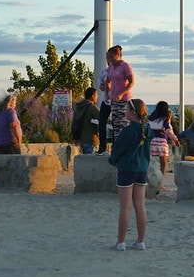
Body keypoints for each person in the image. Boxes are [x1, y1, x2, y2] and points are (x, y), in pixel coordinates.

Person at [108, 98, 151, 251]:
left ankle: (121, 242)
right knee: (140, 205)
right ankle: (141, 241)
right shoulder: (148, 129)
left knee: (125, 207)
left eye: (126, 109)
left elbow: (119, 149)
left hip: (127, 169)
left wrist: (113, 161)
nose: (124, 112)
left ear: (133, 112)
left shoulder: (128, 130)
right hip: (142, 169)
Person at [106, 45, 134, 140]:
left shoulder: (125, 66)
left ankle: (125, 143)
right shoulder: (111, 67)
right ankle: (118, 143)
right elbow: (107, 81)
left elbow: (131, 82)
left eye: (111, 57)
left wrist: (121, 93)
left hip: (124, 98)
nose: (110, 60)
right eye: (108, 58)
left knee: (123, 122)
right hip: (114, 99)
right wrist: (107, 94)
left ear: (117, 55)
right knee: (115, 123)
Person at [147, 101, 180, 178]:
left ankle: (149, 179)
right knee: (164, 163)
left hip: (151, 141)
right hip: (161, 142)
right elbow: (168, 131)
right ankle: (161, 181)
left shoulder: (151, 118)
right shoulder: (165, 118)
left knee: (149, 162)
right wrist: (175, 140)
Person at [73, 88, 101, 154]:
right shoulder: (91, 107)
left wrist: (75, 138)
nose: (97, 97)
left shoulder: (78, 107)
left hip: (81, 140)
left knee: (84, 159)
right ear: (93, 96)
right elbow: (102, 118)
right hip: (91, 140)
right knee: (91, 160)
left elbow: (74, 122)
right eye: (96, 95)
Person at [96, 54, 113, 155]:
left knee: (116, 124)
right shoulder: (105, 71)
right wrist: (104, 87)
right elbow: (101, 86)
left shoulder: (119, 71)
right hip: (106, 101)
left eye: (110, 58)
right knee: (102, 122)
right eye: (107, 59)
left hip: (115, 101)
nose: (108, 61)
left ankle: (115, 146)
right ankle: (102, 146)